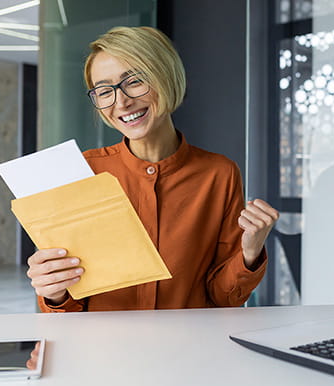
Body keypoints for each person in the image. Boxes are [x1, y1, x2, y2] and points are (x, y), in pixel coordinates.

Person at [26, 26, 279, 312]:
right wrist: (54, 291)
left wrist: (250, 251)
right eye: (104, 91)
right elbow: (64, 305)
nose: (121, 102)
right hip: (100, 349)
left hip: (185, 349)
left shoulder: (219, 174)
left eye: (133, 81)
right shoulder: (81, 172)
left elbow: (223, 297)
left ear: (166, 76)